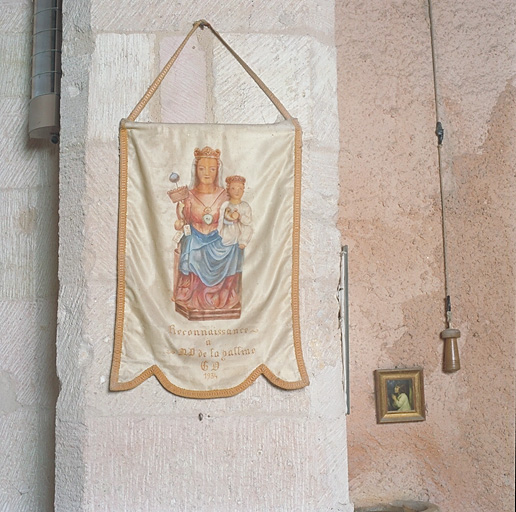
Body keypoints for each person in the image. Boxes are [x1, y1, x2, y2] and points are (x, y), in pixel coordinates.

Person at [168, 146, 243, 320]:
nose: (207, 173)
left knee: (232, 247)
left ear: (218, 171)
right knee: (192, 246)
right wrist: (180, 221)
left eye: (212, 169)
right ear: (196, 170)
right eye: (202, 169)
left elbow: (233, 218)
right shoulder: (188, 195)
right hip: (196, 236)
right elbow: (183, 222)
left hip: (219, 237)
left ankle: (223, 294)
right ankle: (192, 293)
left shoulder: (226, 195)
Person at [217, 175, 253, 250]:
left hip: (238, 239)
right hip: (226, 236)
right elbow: (220, 221)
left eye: (240, 189)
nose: (237, 191)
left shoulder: (245, 206)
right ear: (228, 190)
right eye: (233, 188)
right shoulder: (225, 205)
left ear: (243, 190)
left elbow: (248, 223)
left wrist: (240, 216)